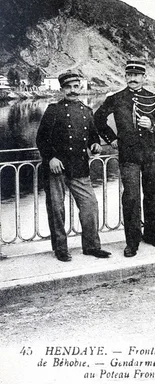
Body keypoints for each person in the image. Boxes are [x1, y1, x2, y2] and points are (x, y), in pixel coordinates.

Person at [94, 59, 155, 258]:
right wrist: (112, 138)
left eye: (137, 75)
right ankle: (132, 241)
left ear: (144, 77)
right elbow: (97, 119)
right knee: (131, 197)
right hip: (130, 156)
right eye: (129, 75)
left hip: (152, 154)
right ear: (125, 76)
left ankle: (151, 234)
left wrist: (152, 124)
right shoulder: (116, 98)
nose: (133, 78)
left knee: (152, 194)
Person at [36, 70, 111, 262]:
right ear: (62, 89)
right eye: (68, 87)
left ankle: (92, 246)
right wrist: (51, 158)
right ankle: (60, 249)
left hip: (79, 167)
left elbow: (93, 136)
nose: (73, 90)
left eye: (76, 87)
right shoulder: (53, 110)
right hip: (57, 169)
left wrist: (95, 145)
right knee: (57, 209)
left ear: (80, 87)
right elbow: (41, 139)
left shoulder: (87, 111)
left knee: (90, 205)